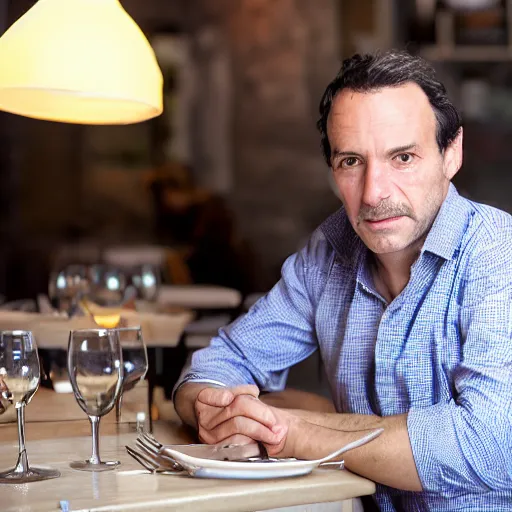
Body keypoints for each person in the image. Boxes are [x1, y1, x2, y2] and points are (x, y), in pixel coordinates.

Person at [173, 51, 512, 511]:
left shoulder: (497, 254)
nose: (374, 192)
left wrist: (298, 430)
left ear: (452, 153)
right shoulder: (330, 252)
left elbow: (491, 443)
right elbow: (222, 361)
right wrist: (211, 411)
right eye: (351, 161)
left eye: (403, 157)